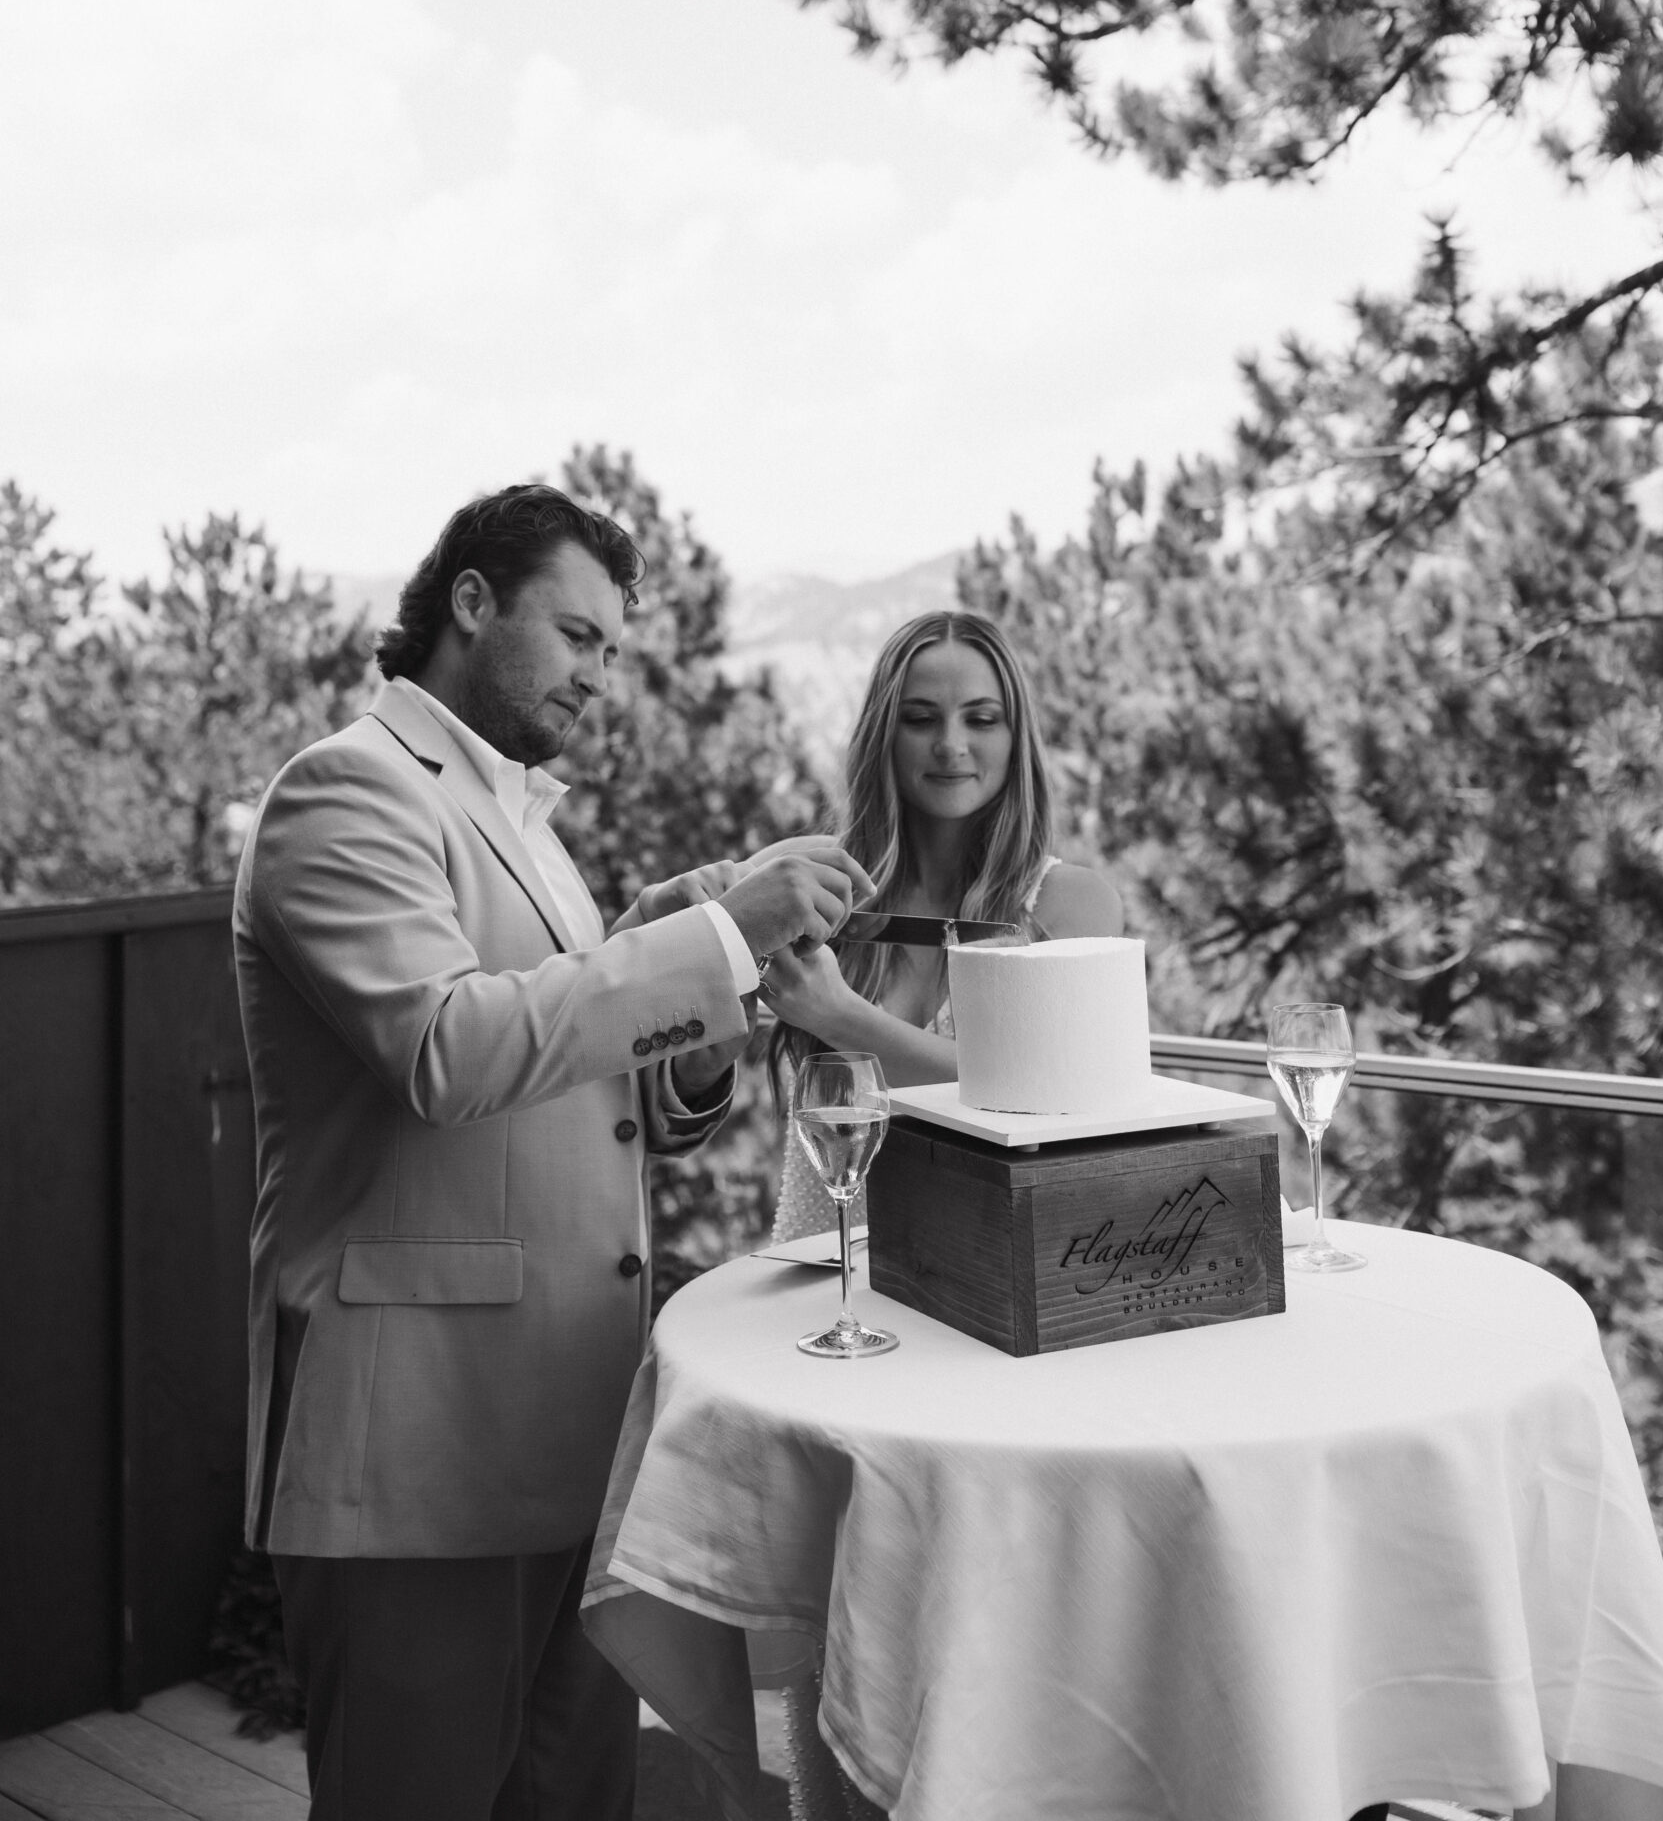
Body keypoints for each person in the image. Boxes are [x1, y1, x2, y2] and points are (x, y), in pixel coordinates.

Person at [232, 482, 872, 1821]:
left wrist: (702, 1006)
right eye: (579, 638)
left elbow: (580, 1085)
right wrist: (713, 937)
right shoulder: (344, 792)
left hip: (565, 1441)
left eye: (613, 652)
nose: (601, 679)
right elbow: (453, 1051)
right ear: (472, 601)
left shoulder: (518, 818)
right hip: (416, 1448)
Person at [764, 606, 1123, 1240]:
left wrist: (837, 1016)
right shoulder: (822, 886)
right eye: (921, 719)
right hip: (825, 1263)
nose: (951, 745)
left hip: (983, 1268)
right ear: (884, 735)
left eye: (981, 719)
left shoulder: (1070, 904)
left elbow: (1041, 1090)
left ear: (1016, 738)